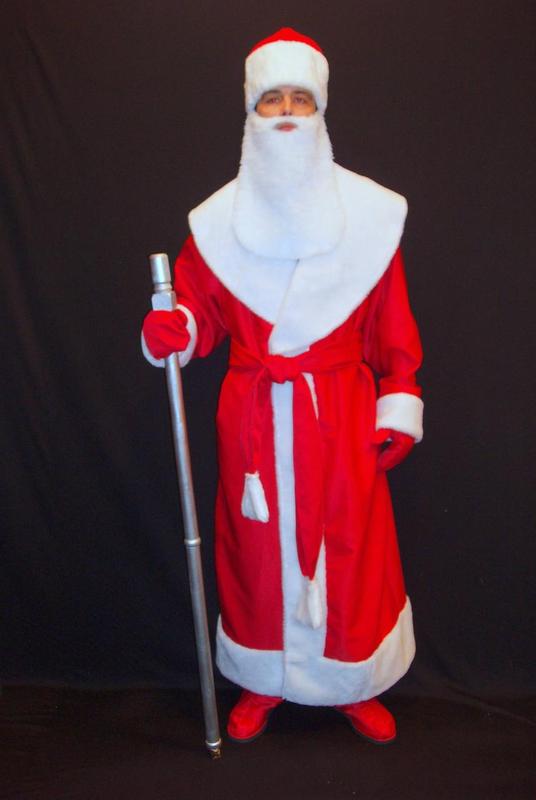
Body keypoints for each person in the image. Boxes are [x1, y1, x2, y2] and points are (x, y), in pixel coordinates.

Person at [142, 27, 423, 745]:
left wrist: (400, 396)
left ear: (321, 110)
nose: (289, 113)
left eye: (302, 98)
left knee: (351, 551)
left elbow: (391, 322)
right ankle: (261, 680)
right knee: (256, 555)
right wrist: (175, 327)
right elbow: (198, 311)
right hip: (256, 416)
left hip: (342, 413)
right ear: (252, 113)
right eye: (273, 100)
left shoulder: (369, 217)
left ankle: (352, 682)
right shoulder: (217, 223)